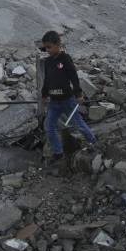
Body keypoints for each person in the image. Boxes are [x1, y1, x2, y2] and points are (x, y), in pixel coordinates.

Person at [40, 30, 96, 162]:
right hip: (54, 103)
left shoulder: (65, 59)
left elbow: (73, 77)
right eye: (45, 48)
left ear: (58, 44)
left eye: (49, 47)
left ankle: (93, 142)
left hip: (67, 100)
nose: (47, 50)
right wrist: (43, 96)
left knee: (79, 124)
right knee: (49, 126)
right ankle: (58, 152)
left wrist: (78, 94)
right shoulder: (47, 62)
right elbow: (47, 80)